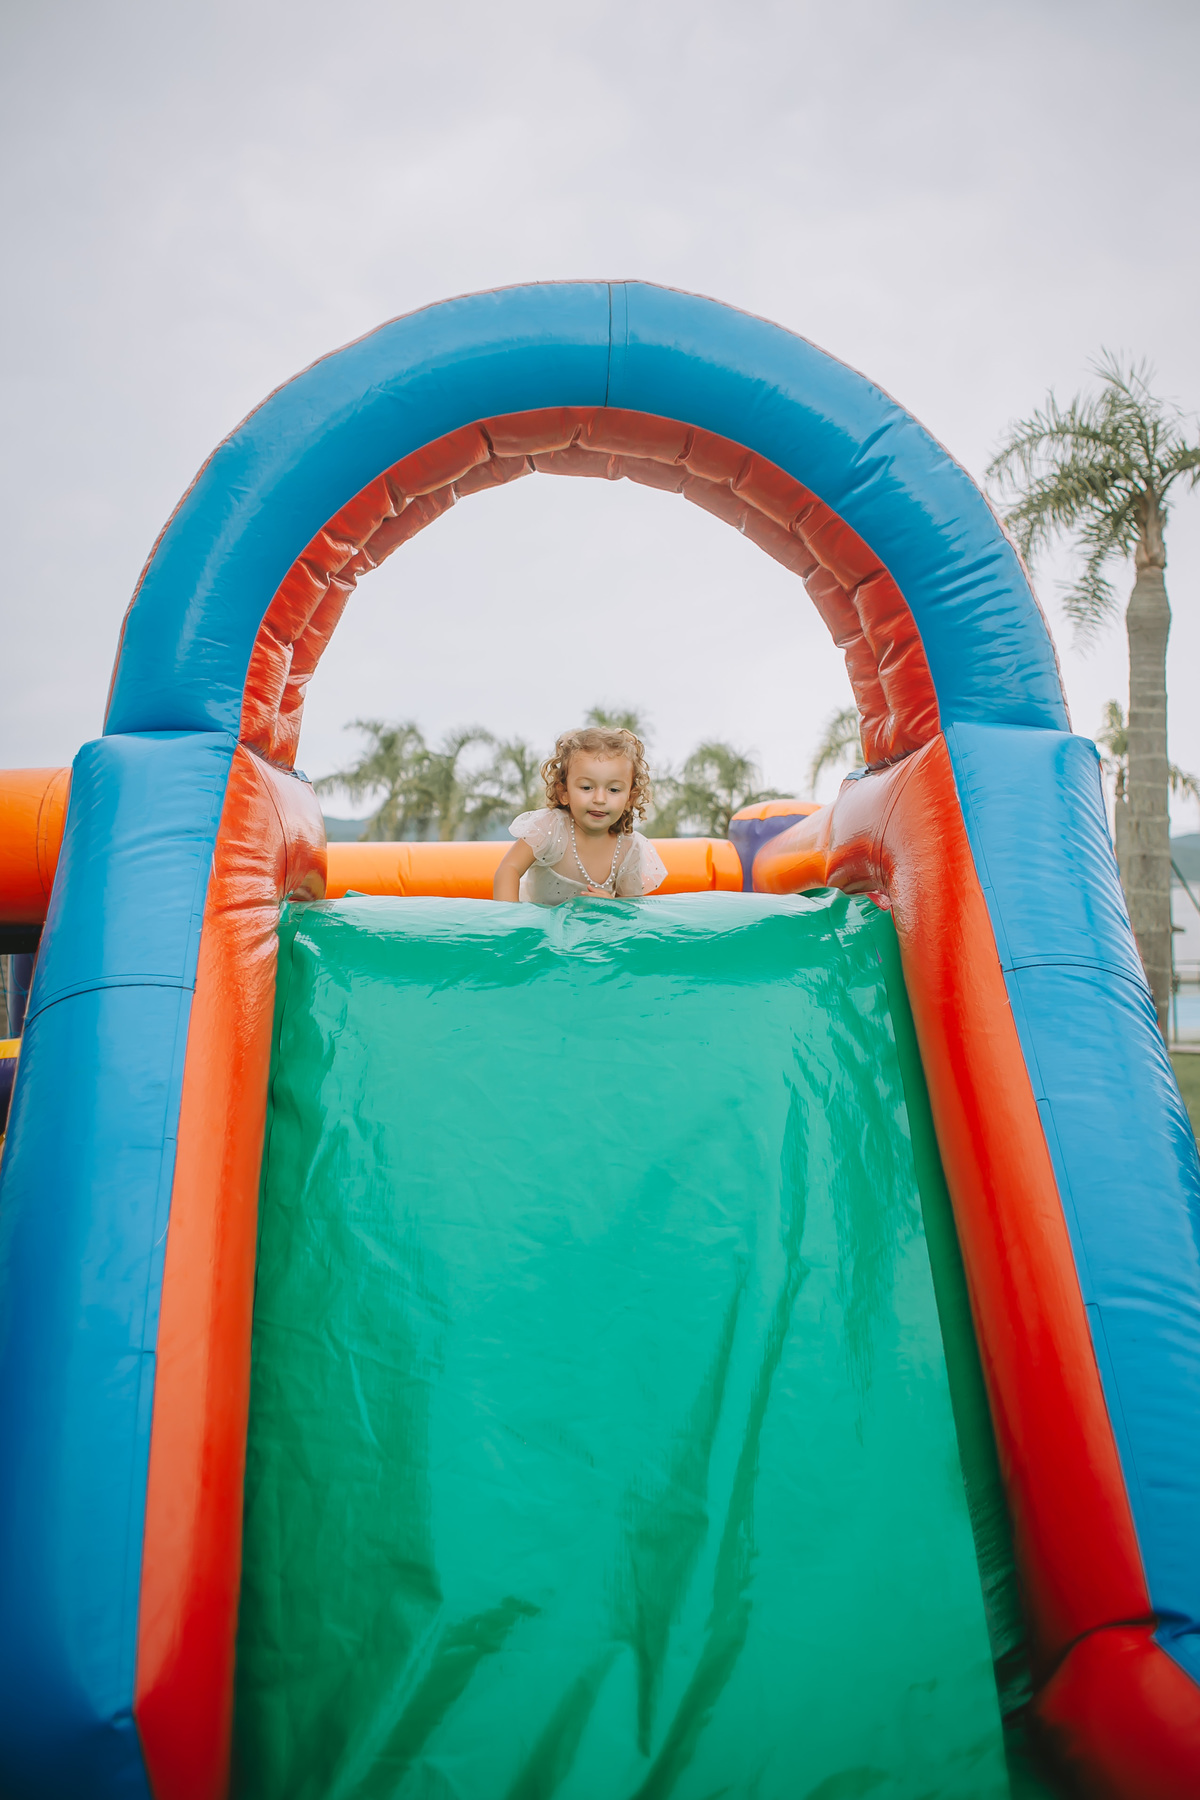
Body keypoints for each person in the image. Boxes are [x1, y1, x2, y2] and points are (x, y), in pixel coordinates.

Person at [492, 727, 668, 904]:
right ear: (564, 792)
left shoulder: (629, 849)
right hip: (537, 925)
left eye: (613, 789)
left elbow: (630, 911)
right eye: (586, 787)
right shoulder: (550, 828)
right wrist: (510, 922)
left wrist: (614, 905)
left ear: (630, 798)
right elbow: (509, 869)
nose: (599, 799)